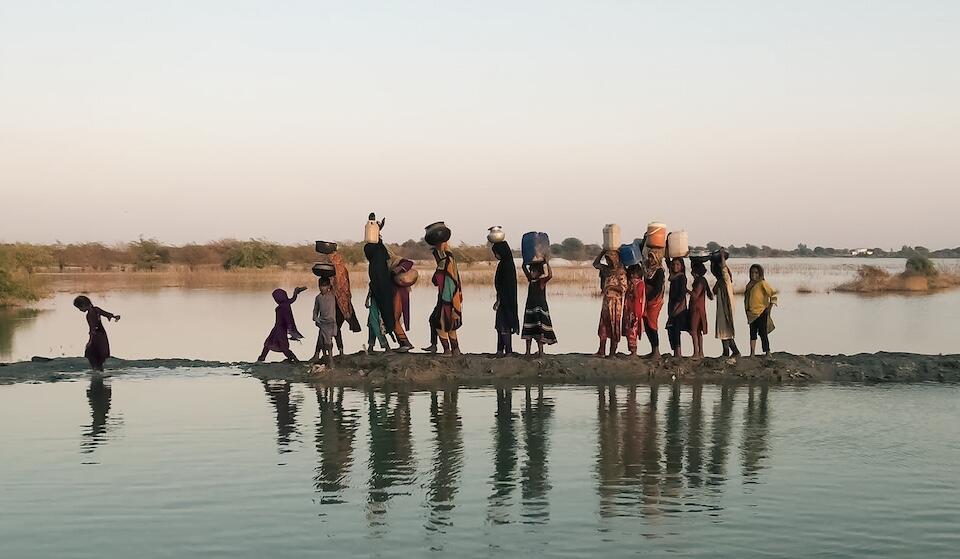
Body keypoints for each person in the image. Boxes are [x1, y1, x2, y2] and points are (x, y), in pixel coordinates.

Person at [364, 220, 413, 352]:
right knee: (375, 319)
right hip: (382, 291)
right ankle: (374, 345)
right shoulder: (377, 258)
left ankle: (402, 343)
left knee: (392, 318)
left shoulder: (391, 259)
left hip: (394, 293)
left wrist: (398, 270)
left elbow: (407, 263)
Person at [430, 242, 464, 356]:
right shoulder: (451, 262)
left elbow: (435, 281)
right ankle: (456, 350)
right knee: (451, 327)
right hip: (453, 300)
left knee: (440, 325)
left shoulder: (444, 264)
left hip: (446, 300)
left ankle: (447, 350)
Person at [258, 287, 307, 362]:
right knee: (269, 344)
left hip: (280, 329)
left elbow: (287, 319)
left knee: (277, 346)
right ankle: (262, 358)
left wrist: (290, 329)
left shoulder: (282, 307)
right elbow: (292, 299)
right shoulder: (285, 304)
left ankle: (294, 359)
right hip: (277, 329)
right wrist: (296, 292)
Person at [593, 250, 627, 358]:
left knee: (614, 327)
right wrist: (602, 252)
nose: (608, 261)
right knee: (603, 326)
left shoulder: (620, 272)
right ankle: (601, 350)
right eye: (607, 259)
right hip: (606, 302)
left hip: (615, 303)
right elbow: (595, 264)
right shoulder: (606, 270)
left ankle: (612, 352)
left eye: (609, 259)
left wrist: (610, 287)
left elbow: (623, 288)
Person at [73, 295, 120, 372]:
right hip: (102, 335)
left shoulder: (89, 315)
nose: (80, 310)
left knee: (91, 354)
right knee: (100, 355)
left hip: (96, 337)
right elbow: (106, 314)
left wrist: (90, 341)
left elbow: (93, 328)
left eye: (80, 308)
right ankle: (99, 370)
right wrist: (114, 316)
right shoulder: (96, 309)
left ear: (84, 305)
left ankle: (96, 372)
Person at [521, 261, 557, 357]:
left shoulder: (541, 281)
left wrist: (547, 263)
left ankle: (540, 351)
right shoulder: (530, 280)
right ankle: (527, 352)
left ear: (539, 272)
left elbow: (550, 275)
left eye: (534, 271)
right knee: (529, 328)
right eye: (531, 271)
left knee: (539, 330)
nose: (532, 273)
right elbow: (523, 267)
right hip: (530, 307)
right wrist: (526, 261)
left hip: (539, 308)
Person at [330, 251, 362, 356]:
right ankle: (340, 351)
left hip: (339, 302)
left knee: (332, 328)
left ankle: (336, 351)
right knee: (334, 328)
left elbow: (339, 286)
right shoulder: (342, 269)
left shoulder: (337, 270)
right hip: (342, 302)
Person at [711, 249, 741, 359]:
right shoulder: (720, 282)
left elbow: (724, 269)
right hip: (722, 308)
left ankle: (727, 352)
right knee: (723, 329)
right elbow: (714, 291)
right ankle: (733, 352)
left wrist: (722, 257)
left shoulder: (726, 279)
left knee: (725, 329)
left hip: (726, 307)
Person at [492, 240, 520, 357]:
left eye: (496, 253)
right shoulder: (505, 263)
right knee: (500, 326)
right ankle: (500, 350)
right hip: (504, 299)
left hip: (506, 300)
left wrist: (499, 300)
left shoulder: (506, 265)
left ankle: (507, 351)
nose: (495, 256)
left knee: (504, 325)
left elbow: (505, 286)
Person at [744, 264, 778, 357]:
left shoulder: (762, 283)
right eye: (751, 272)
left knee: (763, 333)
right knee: (752, 333)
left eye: (756, 273)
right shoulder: (749, 285)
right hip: (751, 314)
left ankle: (767, 352)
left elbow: (773, 294)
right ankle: (752, 353)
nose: (753, 274)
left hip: (761, 312)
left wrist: (770, 307)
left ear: (760, 274)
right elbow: (747, 299)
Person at [688, 257, 713, 359]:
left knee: (693, 331)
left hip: (696, 309)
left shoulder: (699, 282)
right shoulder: (702, 280)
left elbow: (695, 295)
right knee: (698, 331)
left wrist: (686, 290)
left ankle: (696, 353)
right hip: (700, 308)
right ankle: (700, 352)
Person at [665, 257, 690, 358]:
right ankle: (676, 351)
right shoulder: (673, 276)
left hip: (679, 307)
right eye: (674, 264)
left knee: (675, 329)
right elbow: (668, 263)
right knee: (671, 329)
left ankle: (678, 353)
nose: (675, 266)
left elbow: (682, 293)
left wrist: (676, 306)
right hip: (672, 305)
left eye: (678, 265)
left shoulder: (682, 277)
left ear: (682, 267)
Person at [643, 252, 666, 359]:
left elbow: (657, 288)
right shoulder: (649, 270)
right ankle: (653, 349)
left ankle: (656, 351)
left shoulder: (659, 271)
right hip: (647, 300)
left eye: (653, 257)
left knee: (652, 324)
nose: (651, 259)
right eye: (650, 257)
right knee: (647, 324)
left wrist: (648, 298)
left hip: (654, 301)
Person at [311, 278, 337, 367]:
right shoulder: (318, 298)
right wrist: (315, 318)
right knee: (323, 341)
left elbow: (336, 285)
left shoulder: (332, 295)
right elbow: (315, 310)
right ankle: (326, 357)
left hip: (331, 322)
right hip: (322, 322)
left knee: (328, 342)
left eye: (325, 286)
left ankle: (330, 359)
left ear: (329, 286)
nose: (322, 288)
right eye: (321, 286)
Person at [622, 264, 646, 357]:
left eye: (634, 274)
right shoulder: (629, 283)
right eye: (631, 273)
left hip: (635, 310)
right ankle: (631, 350)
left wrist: (634, 285)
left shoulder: (640, 283)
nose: (632, 276)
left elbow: (637, 296)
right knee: (628, 330)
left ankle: (634, 351)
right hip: (629, 309)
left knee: (633, 330)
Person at [365, 282, 392, 353]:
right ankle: (371, 346)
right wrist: (367, 299)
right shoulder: (376, 278)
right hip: (376, 302)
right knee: (372, 323)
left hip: (378, 303)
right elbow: (372, 288)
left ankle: (386, 345)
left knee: (375, 324)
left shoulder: (380, 277)